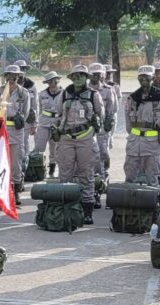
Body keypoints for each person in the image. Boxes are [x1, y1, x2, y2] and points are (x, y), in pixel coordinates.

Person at [51, 65, 104, 224]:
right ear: (72, 78)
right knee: (65, 174)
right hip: (66, 137)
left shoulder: (94, 95)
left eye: (82, 75)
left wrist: (97, 124)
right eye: (76, 75)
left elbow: (101, 115)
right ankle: (65, 209)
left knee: (86, 174)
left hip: (85, 137)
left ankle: (88, 211)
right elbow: (58, 114)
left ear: (86, 78)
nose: (78, 78)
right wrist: (56, 129)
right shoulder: (64, 94)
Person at [124, 65, 160, 186]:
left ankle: (153, 200)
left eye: (147, 77)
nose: (144, 79)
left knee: (152, 176)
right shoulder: (132, 98)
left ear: (153, 78)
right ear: (138, 78)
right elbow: (128, 121)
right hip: (134, 142)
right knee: (130, 173)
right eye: (141, 77)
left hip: (152, 144)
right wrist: (133, 134)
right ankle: (129, 201)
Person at [1, 65, 31, 204]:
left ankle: (16, 192)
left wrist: (21, 120)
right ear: (5, 76)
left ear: (18, 77)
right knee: (1, 162)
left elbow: (26, 111)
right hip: (2, 131)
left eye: (14, 76)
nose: (11, 78)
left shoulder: (23, 93)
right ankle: (2, 191)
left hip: (17, 131)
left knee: (16, 163)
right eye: (9, 75)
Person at [88, 63, 117, 191]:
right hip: (88, 128)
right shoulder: (85, 90)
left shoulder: (108, 90)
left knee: (103, 153)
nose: (96, 76)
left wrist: (108, 124)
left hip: (101, 128)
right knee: (92, 155)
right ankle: (97, 179)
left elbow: (112, 109)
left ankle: (104, 174)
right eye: (94, 74)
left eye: (98, 74)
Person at [34, 72, 64, 178]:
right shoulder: (42, 94)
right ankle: (38, 169)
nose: (52, 83)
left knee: (55, 148)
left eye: (54, 80)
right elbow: (39, 110)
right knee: (39, 146)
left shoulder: (64, 94)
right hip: (44, 122)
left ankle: (52, 170)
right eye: (49, 81)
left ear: (57, 80)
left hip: (57, 122)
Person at [14, 60, 38, 167]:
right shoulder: (11, 84)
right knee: (15, 145)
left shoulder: (31, 86)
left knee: (25, 142)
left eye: (24, 69)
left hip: (27, 119)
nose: (22, 71)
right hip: (13, 120)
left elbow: (35, 105)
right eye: (20, 69)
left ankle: (25, 166)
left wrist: (35, 124)